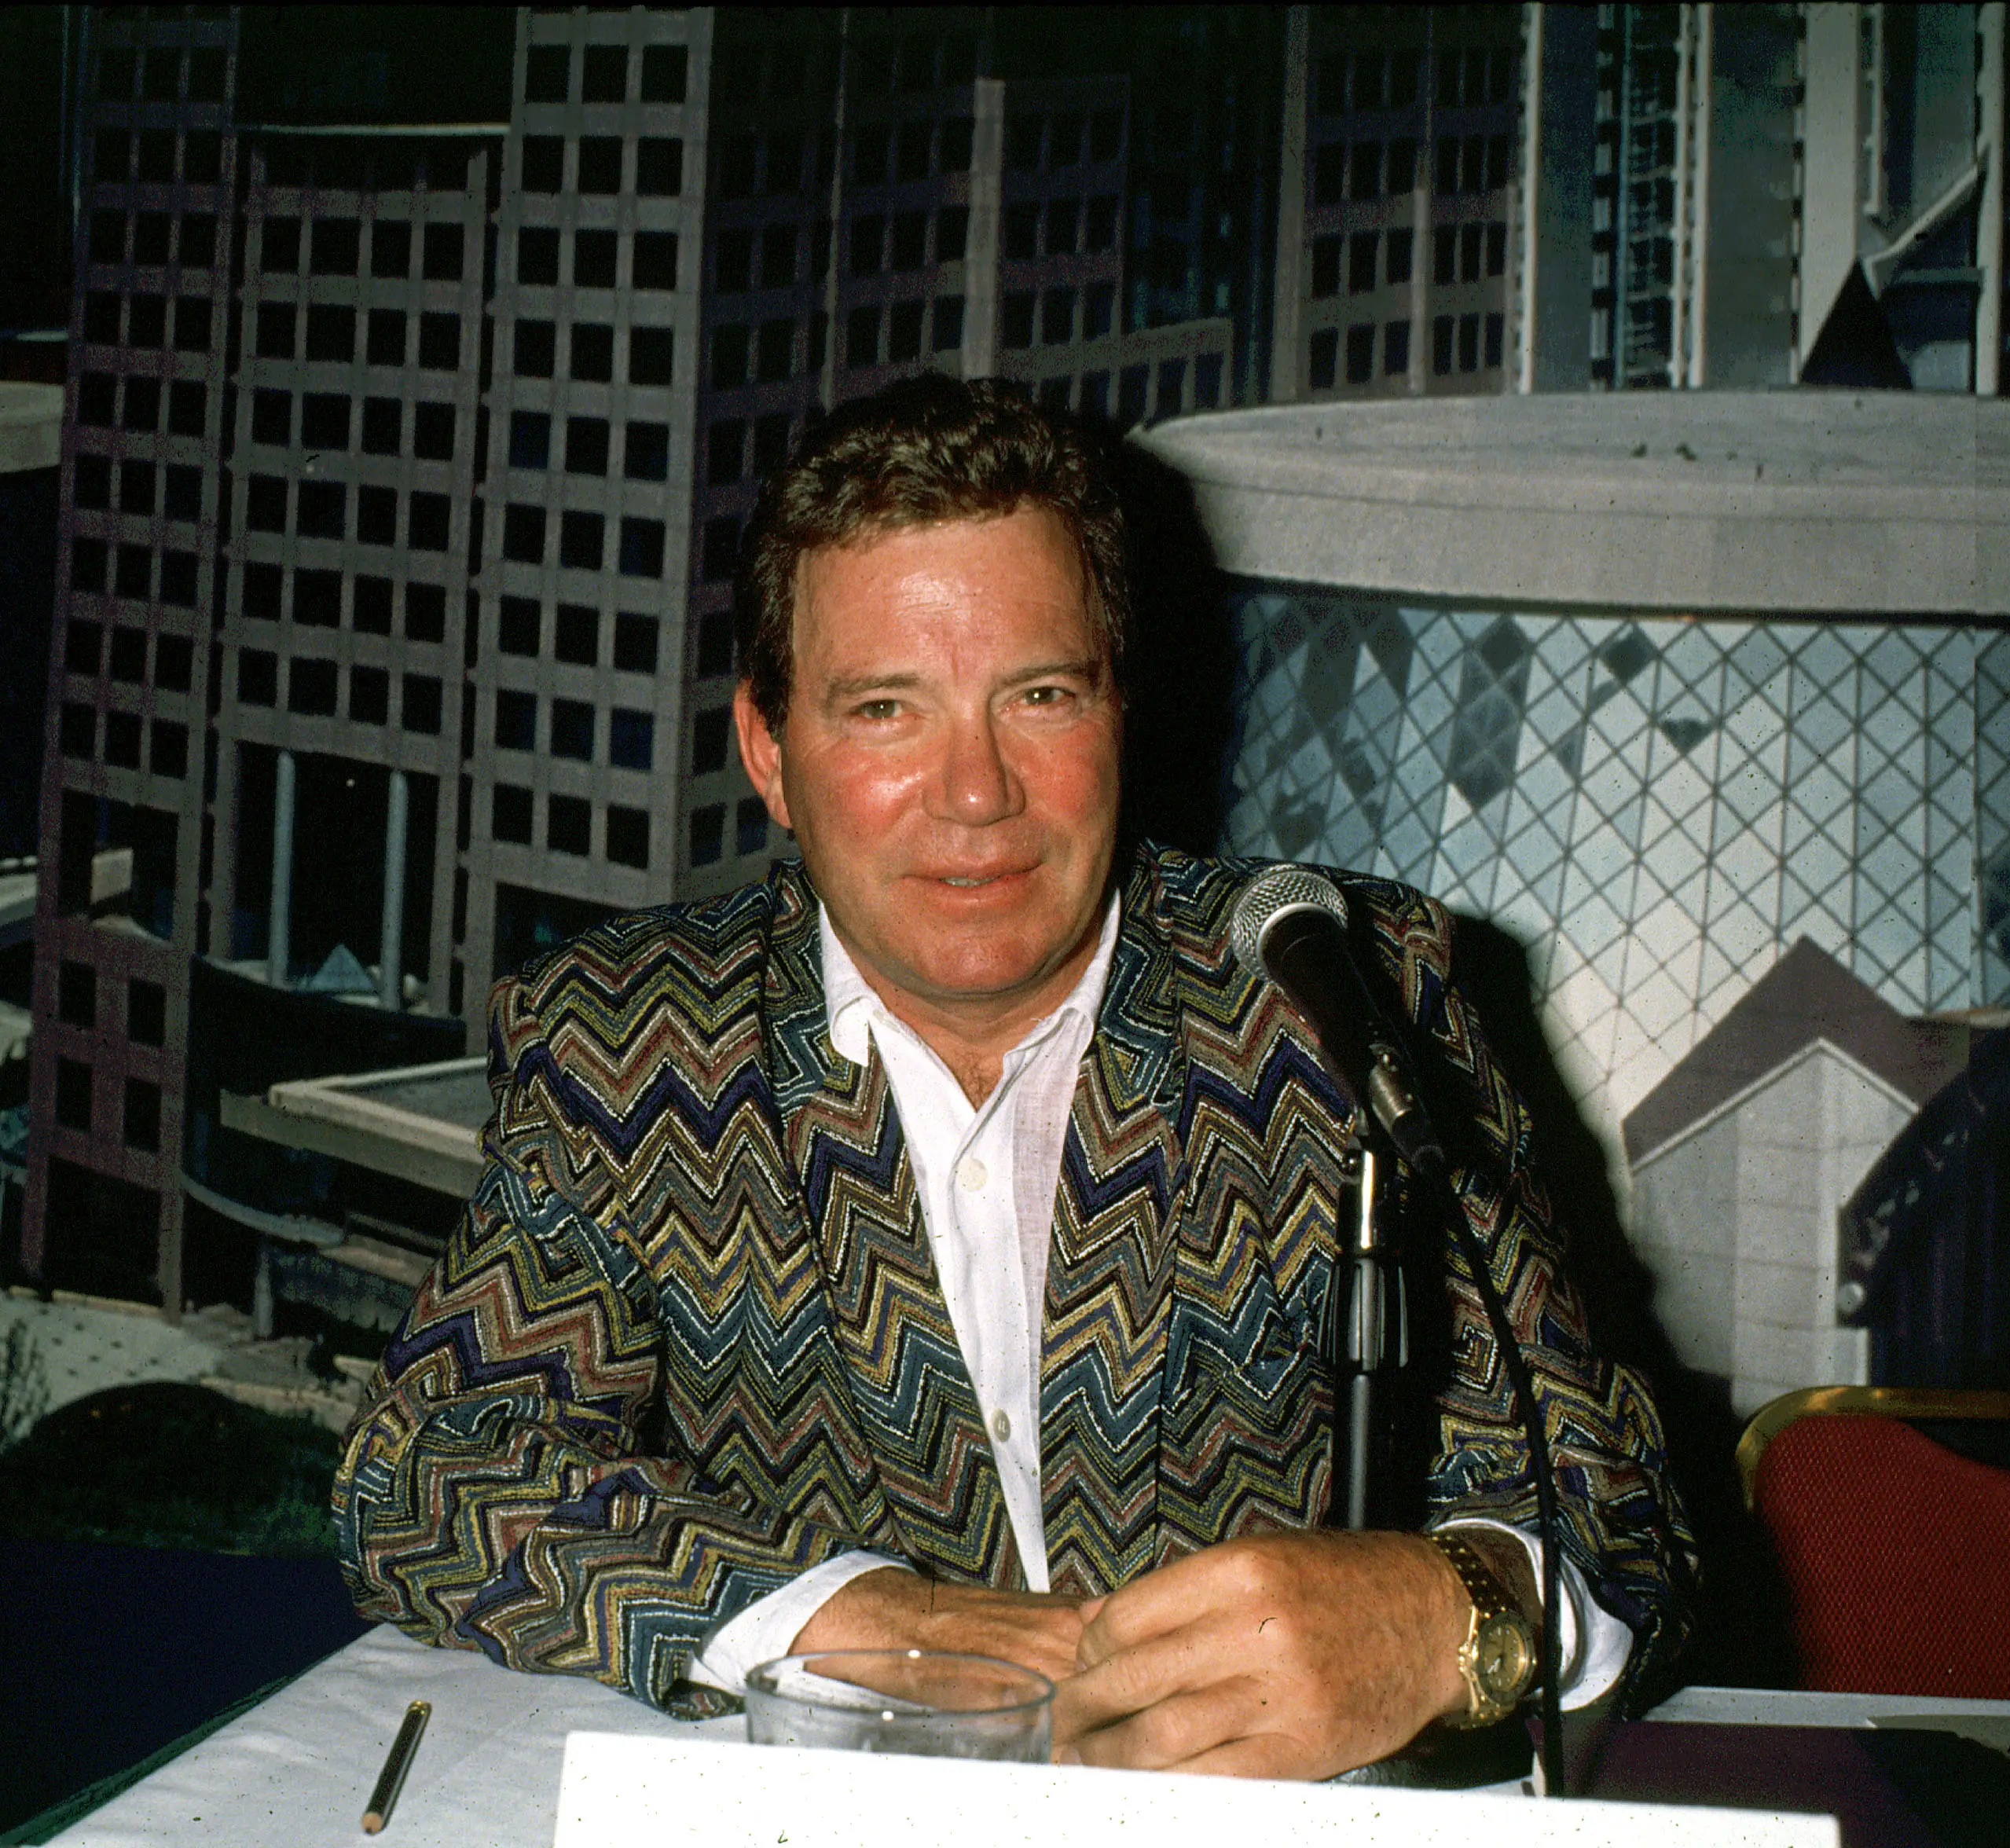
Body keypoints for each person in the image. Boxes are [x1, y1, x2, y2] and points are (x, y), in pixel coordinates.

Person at [335, 376, 1695, 1781]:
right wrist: (832, 1620)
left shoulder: (1341, 994)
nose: (976, 792)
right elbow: (430, 1466)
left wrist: (1448, 1618)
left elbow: (1621, 1513)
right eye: (884, 710)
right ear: (771, 754)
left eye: (1039, 695)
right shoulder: (629, 1039)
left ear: (1121, 708)